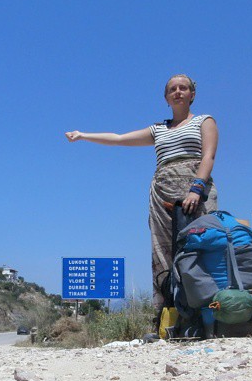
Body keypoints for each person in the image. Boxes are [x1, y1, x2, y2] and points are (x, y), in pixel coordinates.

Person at [65, 73, 219, 313]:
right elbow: (118, 139)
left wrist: (196, 189)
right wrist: (83, 135)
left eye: (183, 88)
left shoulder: (204, 121)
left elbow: (208, 156)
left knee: (202, 242)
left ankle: (209, 310)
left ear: (192, 95)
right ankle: (168, 312)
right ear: (166, 98)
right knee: (163, 250)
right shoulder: (158, 129)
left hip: (195, 187)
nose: (177, 91)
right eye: (172, 89)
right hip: (162, 190)